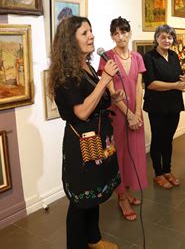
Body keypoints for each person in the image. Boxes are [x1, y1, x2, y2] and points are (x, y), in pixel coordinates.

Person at [48, 16, 122, 249]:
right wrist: (105, 80)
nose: (91, 36)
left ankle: (94, 239)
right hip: (82, 142)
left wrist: (113, 95)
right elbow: (81, 112)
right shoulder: (66, 75)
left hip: (98, 137)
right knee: (81, 199)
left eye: (91, 31)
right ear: (70, 41)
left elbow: (96, 100)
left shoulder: (87, 66)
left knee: (94, 192)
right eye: (84, 33)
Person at [98, 17, 147, 221]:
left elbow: (138, 86)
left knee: (133, 152)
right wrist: (128, 114)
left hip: (135, 112)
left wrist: (137, 112)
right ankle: (121, 197)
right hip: (117, 114)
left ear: (129, 34)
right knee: (118, 155)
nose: (120, 37)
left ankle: (127, 190)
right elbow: (110, 89)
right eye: (116, 33)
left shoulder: (137, 57)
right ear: (111, 36)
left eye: (124, 32)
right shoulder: (107, 58)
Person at [143, 24, 185, 189]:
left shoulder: (174, 55)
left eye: (169, 37)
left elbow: (178, 76)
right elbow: (151, 84)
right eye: (163, 37)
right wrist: (176, 85)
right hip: (157, 105)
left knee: (168, 138)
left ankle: (167, 170)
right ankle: (158, 173)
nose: (166, 40)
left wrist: (183, 80)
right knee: (158, 138)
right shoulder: (149, 57)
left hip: (174, 103)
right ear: (156, 38)